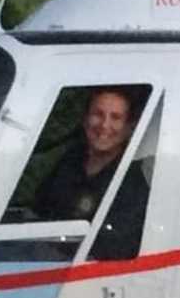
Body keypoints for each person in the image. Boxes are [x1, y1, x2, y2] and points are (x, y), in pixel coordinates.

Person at [35, 88, 149, 260]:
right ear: (85, 119)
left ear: (128, 127)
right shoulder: (71, 159)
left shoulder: (133, 183)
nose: (104, 125)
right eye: (98, 114)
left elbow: (115, 248)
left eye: (116, 118)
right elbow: (39, 209)